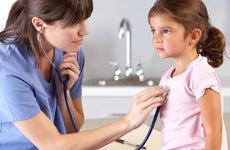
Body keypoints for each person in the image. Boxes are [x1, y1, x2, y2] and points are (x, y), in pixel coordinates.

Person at [0, 0, 168, 149]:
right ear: (39, 24)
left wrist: (62, 93)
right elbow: (53, 145)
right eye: (74, 23)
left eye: (84, 19)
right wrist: (128, 122)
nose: (85, 31)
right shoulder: (8, 69)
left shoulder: (70, 54)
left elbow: (73, 129)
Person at [148, 0, 228, 149]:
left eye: (166, 31)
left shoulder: (200, 75)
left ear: (193, 36)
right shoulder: (168, 76)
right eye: (153, 30)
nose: (156, 38)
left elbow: (214, 133)